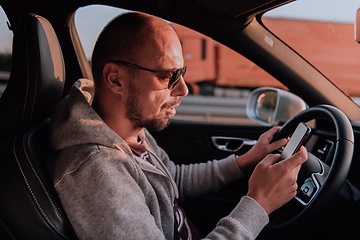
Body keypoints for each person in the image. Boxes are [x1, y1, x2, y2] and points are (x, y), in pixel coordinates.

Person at [50, 12, 307, 240]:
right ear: (115, 79)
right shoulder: (98, 175)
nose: (183, 88)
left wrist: (245, 161)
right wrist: (258, 204)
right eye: (167, 76)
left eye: (181, 72)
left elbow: (173, 180)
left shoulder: (129, 132)